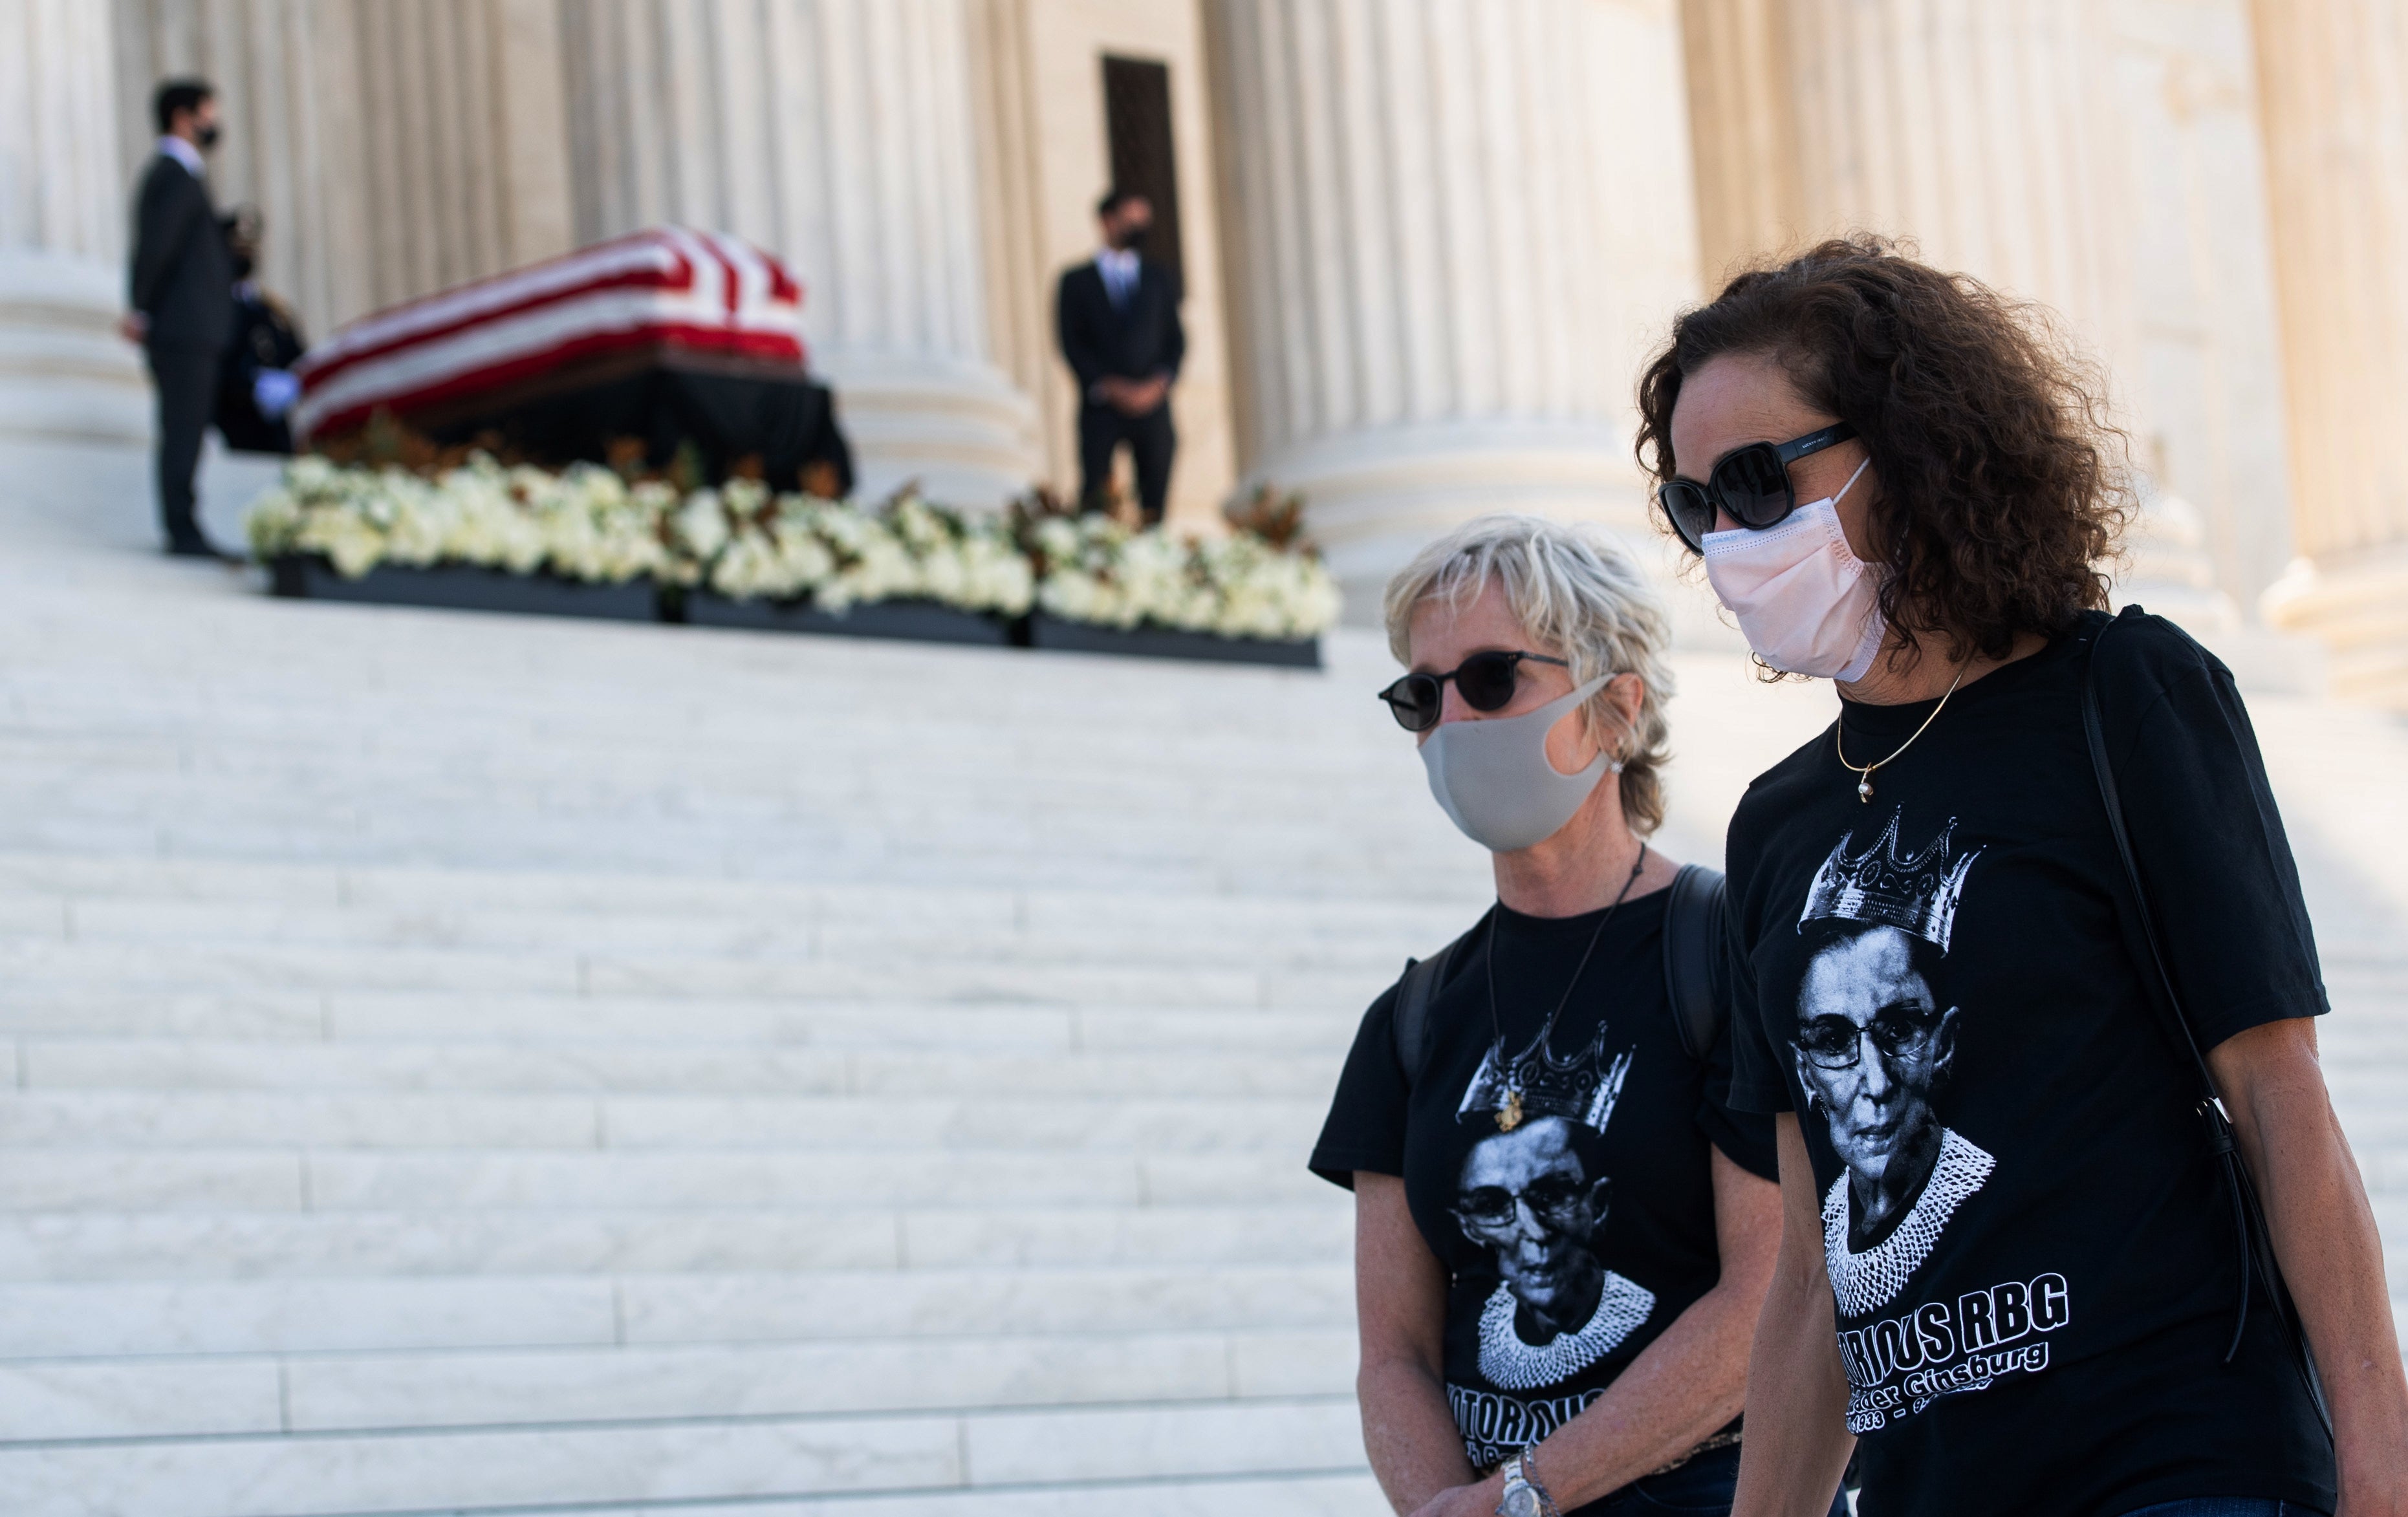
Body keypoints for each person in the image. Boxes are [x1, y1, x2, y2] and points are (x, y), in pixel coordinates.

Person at [1634, 237, 2408, 1517]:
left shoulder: (2120, 698)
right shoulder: (1773, 827)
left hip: (2175, 1460)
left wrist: (2380, 1477)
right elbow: (1815, 1270)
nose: (1726, 537)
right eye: (1693, 504)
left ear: (1910, 447)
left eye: (1760, 482)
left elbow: (2277, 1101)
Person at [1312, 517, 1844, 1517]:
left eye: (1490, 679)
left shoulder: (1732, 954)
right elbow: (1392, 1355)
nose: (1451, 722)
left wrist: (1524, 1493)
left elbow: (1771, 1299)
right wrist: (1448, 1507)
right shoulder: (1409, 1017)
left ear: (1616, 704)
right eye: (1419, 696)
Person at [127, 78, 240, 560]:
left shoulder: (182, 174)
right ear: (183, 117)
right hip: (183, 328)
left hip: (191, 326)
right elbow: (157, 249)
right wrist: (140, 307)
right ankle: (183, 529)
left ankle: (185, 523)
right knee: (183, 428)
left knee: (189, 429)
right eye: (207, 113)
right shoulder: (175, 174)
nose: (214, 124)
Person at [1054, 189, 1183, 524]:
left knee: (1155, 499)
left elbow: (1176, 340)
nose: (1138, 229)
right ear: (1107, 222)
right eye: (1130, 221)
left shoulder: (1159, 278)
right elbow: (1071, 343)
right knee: (1096, 497)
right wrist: (1109, 386)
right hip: (1101, 408)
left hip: (1153, 407)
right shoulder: (1076, 282)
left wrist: (1158, 385)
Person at [213, 205, 307, 457]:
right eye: (237, 250)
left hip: (275, 433)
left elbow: (298, 356)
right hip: (231, 427)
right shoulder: (214, 310)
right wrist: (250, 386)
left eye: (249, 250)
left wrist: (291, 384)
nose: (244, 256)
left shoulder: (272, 309)